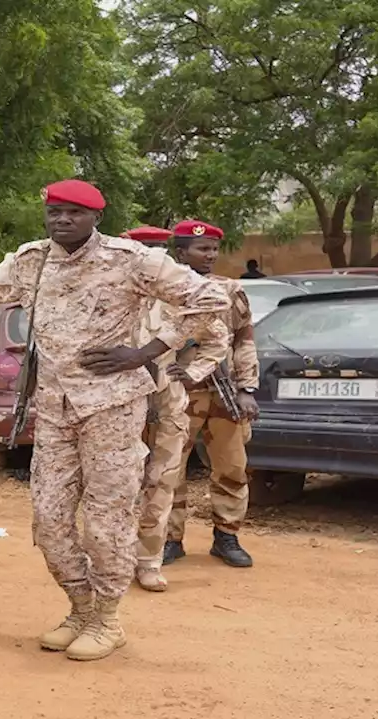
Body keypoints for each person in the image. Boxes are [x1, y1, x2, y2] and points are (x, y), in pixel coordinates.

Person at [0, 180, 229, 661]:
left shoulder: (131, 259)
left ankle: (107, 619)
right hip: (55, 409)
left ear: (96, 217)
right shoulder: (30, 261)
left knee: (107, 522)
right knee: (50, 520)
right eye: (55, 212)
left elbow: (209, 300)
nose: (62, 220)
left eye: (74, 213)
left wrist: (145, 350)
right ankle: (79, 608)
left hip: (113, 408)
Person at [125, 225, 230, 592]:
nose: (152, 256)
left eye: (158, 249)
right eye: (144, 249)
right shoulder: (112, 293)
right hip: (119, 402)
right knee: (117, 483)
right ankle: (113, 558)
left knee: (163, 479)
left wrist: (190, 373)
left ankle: (149, 561)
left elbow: (217, 342)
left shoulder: (181, 293)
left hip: (168, 399)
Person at [161, 221, 260, 569]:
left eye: (214, 249)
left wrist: (247, 389)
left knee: (232, 467)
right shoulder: (163, 289)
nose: (211, 255)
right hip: (177, 393)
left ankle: (227, 536)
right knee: (169, 469)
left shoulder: (230, 290)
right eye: (202, 249)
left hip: (223, 393)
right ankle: (169, 539)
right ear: (180, 252)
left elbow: (244, 340)